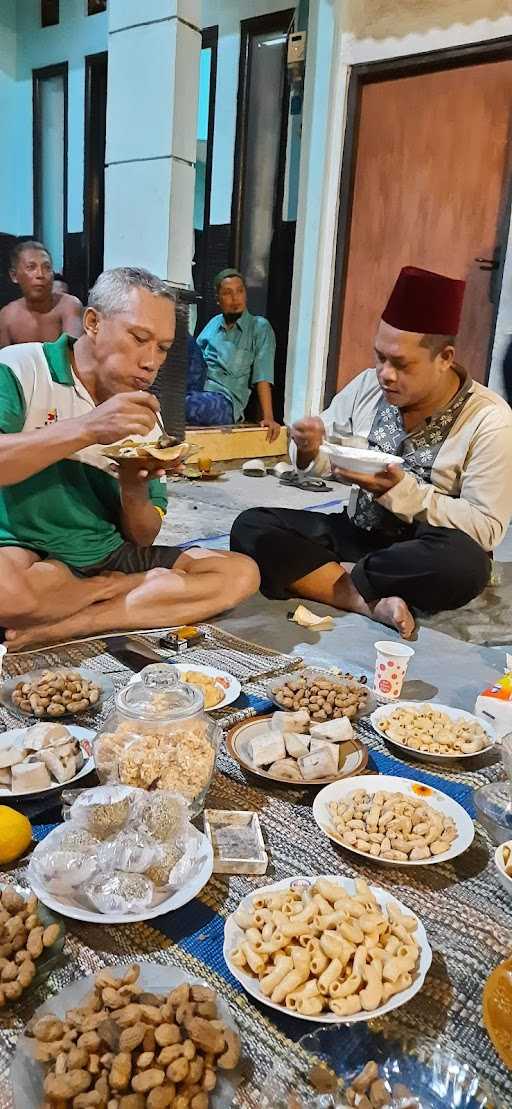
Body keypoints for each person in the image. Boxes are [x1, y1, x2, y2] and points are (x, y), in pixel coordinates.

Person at [231, 266, 512, 639]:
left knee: (467, 567)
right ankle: (365, 599)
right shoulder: (368, 385)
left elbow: (487, 529)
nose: (385, 374)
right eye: (380, 357)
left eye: (401, 364)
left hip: (423, 551)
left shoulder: (489, 419)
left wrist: (399, 493)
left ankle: (333, 575)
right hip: (358, 532)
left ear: (444, 358)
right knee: (252, 527)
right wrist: (309, 449)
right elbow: (326, 460)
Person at [0, 266, 260, 649]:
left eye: (163, 348)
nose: (151, 361)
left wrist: (134, 484)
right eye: (140, 338)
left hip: (107, 553)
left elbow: (142, 536)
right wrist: (88, 428)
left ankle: (71, 622)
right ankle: (121, 594)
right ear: (92, 322)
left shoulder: (145, 418)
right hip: (25, 548)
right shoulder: (22, 369)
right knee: (7, 593)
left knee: (240, 574)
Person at [189, 269, 280, 441]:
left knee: (184, 407)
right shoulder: (214, 323)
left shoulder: (259, 327)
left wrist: (268, 417)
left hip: (223, 401)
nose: (235, 298)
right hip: (197, 388)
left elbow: (263, 375)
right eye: (227, 293)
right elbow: (193, 361)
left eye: (239, 291)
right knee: (183, 340)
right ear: (218, 299)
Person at [0, 241, 83, 347]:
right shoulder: (7, 316)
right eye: (31, 267)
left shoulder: (69, 305)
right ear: (14, 276)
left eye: (47, 267)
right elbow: (4, 361)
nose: (40, 274)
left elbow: (74, 353)